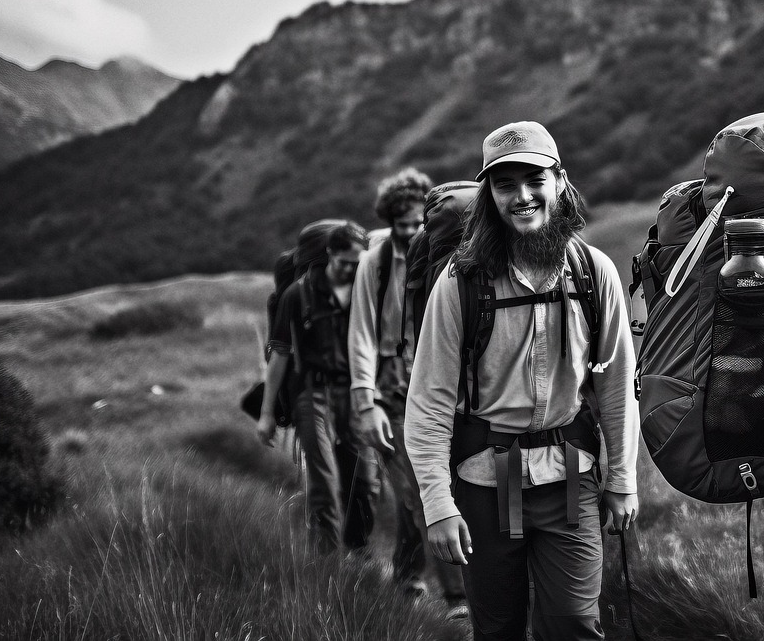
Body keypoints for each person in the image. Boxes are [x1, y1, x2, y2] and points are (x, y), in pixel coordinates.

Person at [405, 121, 639, 641]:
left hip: (568, 473)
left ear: (559, 180)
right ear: (489, 194)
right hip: (484, 479)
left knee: (574, 623)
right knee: (498, 628)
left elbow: (617, 383)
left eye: (534, 179)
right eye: (505, 184)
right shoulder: (459, 282)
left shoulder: (592, 273)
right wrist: (439, 505)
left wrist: (622, 479)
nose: (523, 196)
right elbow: (430, 401)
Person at [348, 168, 468, 616]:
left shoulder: (444, 255)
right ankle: (459, 598)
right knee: (419, 490)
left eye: (417, 224)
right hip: (392, 387)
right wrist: (366, 401)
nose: (409, 233)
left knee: (417, 492)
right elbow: (360, 333)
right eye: (400, 226)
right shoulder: (373, 263)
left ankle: (407, 579)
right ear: (389, 222)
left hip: (438, 381)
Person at [258, 221, 378, 554]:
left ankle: (358, 551)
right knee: (324, 484)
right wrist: (267, 414)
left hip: (356, 395)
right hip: (313, 395)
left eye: (358, 264)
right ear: (328, 256)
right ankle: (326, 565)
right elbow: (279, 354)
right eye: (344, 262)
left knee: (366, 482)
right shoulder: (298, 294)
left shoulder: (364, 290)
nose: (351, 270)